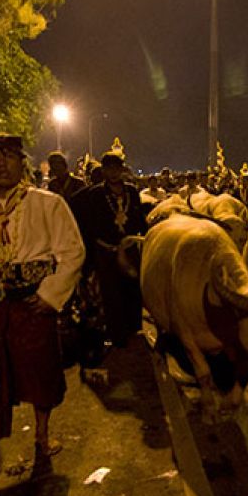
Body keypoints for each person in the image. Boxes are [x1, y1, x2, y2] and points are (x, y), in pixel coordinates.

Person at [0, 134, 85, 474]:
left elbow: (72, 253)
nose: (2, 163)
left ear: (22, 161)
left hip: (32, 304)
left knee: (40, 371)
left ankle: (42, 434)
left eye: (10, 156)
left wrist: (50, 296)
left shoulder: (48, 204)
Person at [70, 152, 146, 358]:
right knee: (111, 292)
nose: (113, 172)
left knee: (132, 287)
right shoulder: (95, 194)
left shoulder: (131, 191)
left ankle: (134, 328)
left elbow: (139, 217)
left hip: (129, 248)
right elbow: (89, 222)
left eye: (117, 168)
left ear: (123, 169)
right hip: (106, 249)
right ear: (103, 171)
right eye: (109, 168)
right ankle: (116, 334)